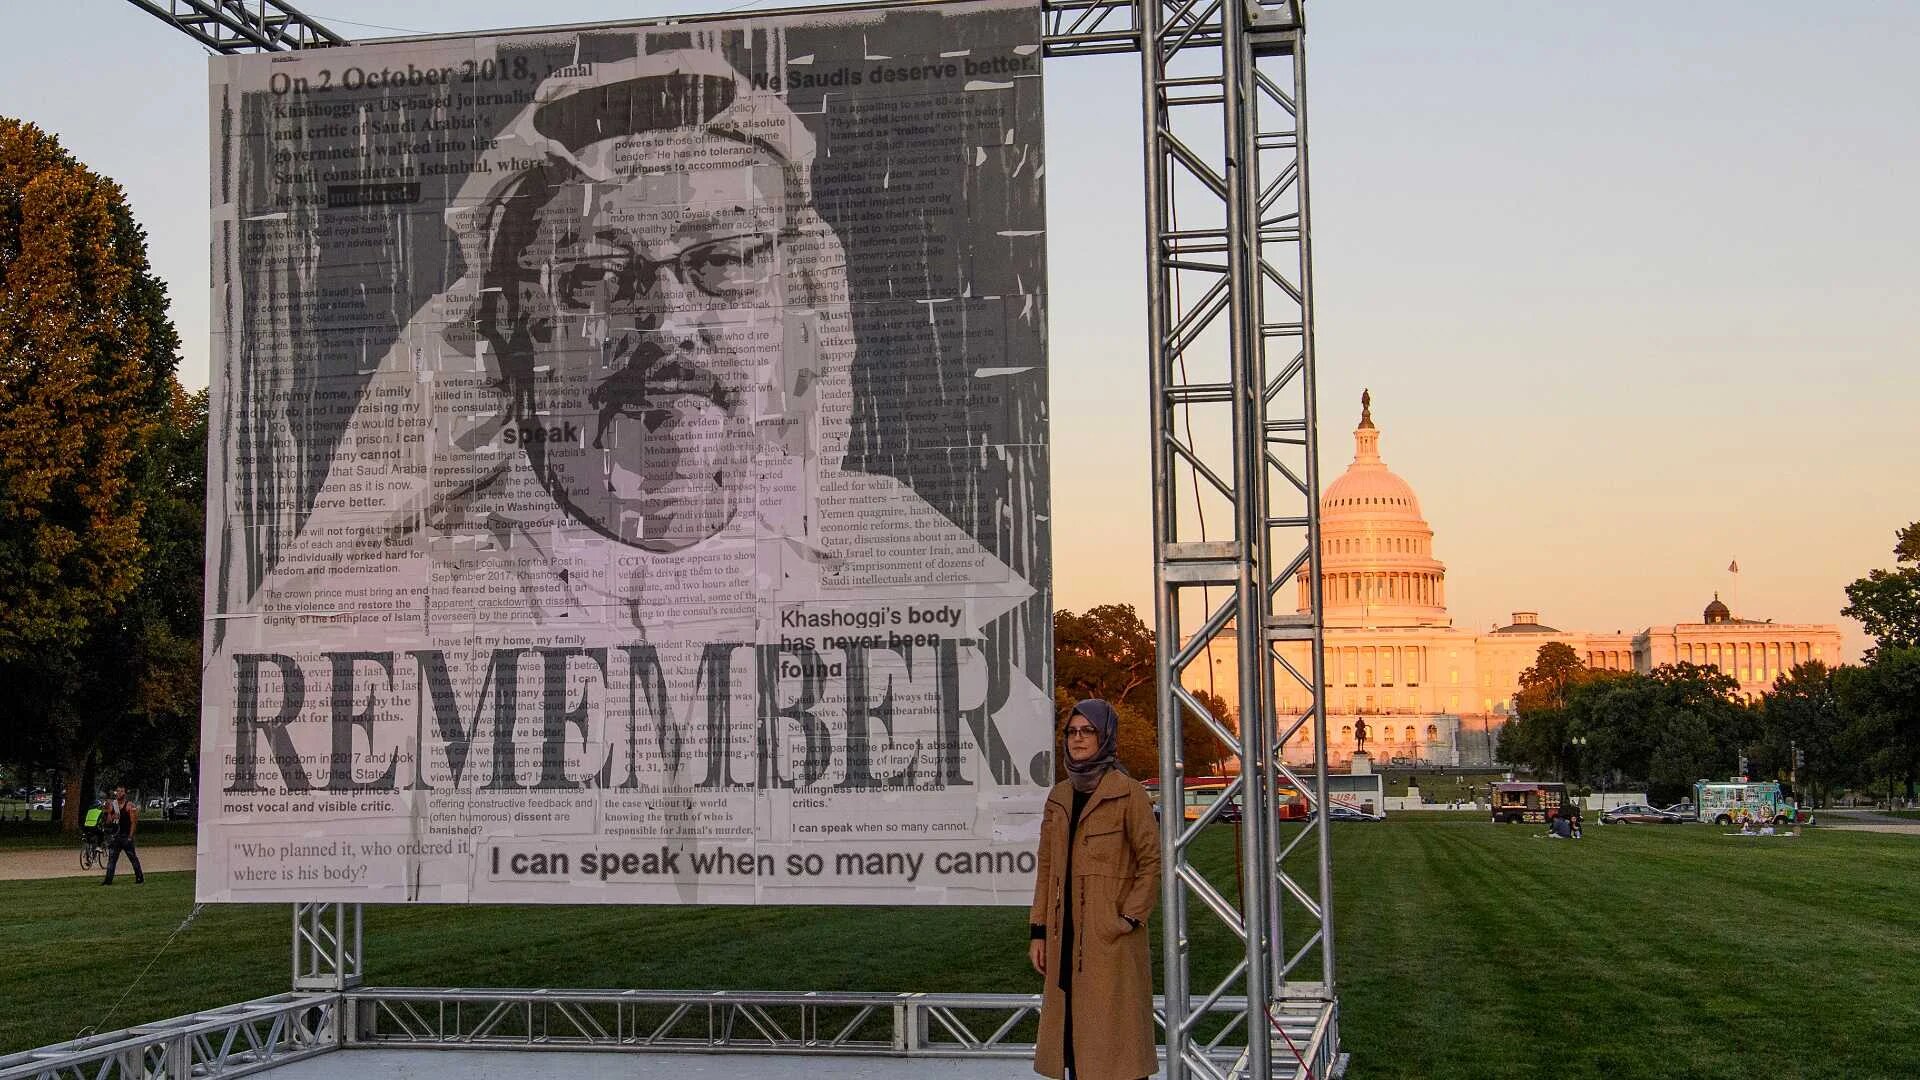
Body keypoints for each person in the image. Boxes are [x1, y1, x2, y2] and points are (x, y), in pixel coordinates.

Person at [1029, 700, 1159, 1080]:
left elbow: (1151, 862)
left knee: (1117, 1044)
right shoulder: (1059, 797)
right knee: (1072, 1043)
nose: (1078, 738)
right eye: (1072, 731)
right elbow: (1046, 868)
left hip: (1110, 940)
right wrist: (1038, 931)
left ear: (1105, 737)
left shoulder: (1128, 793)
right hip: (1063, 938)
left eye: (1088, 731)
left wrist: (1128, 918)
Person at [101, 786, 143, 885]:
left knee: (133, 858)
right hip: (115, 836)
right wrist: (110, 815)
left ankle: (139, 877)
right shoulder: (113, 805)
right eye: (118, 791)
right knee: (112, 860)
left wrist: (130, 836)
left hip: (126, 836)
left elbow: (133, 822)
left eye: (121, 791)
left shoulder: (129, 805)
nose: (119, 793)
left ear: (125, 793)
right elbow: (108, 822)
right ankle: (108, 880)